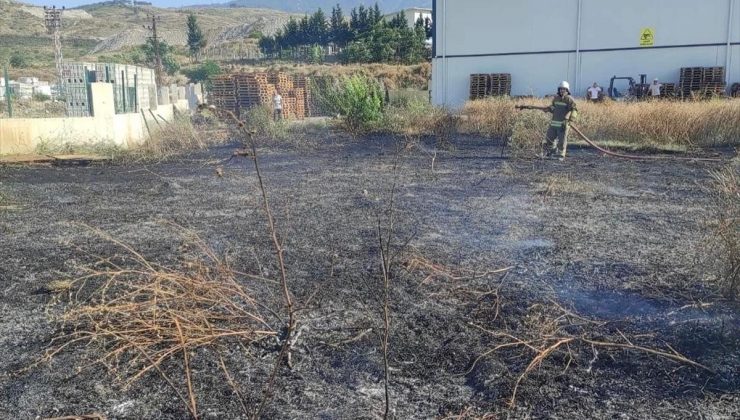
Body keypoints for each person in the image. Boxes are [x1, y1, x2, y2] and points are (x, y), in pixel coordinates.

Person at [542, 81, 578, 161]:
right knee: (549, 138)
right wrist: (548, 109)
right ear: (559, 90)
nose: (562, 91)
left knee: (562, 140)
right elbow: (554, 108)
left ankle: (561, 154)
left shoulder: (569, 100)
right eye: (561, 89)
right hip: (554, 123)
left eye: (564, 89)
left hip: (563, 124)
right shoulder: (556, 98)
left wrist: (570, 119)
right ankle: (551, 151)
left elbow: (574, 110)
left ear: (567, 90)